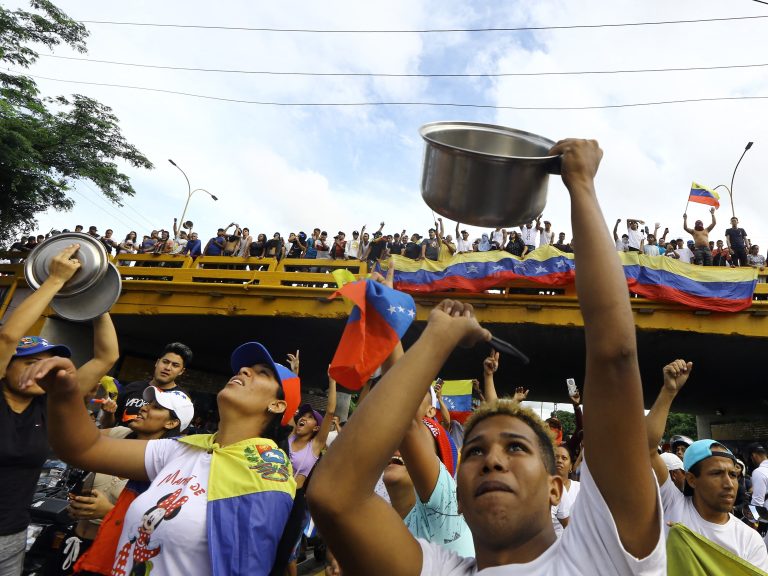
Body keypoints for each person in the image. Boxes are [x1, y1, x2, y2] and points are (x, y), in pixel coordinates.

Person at [309, 138, 665, 575]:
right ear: (456, 495)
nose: (492, 460)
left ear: (556, 488)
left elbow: (615, 356)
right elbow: (334, 498)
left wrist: (581, 185)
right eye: (474, 453)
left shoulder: (604, 553)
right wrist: (436, 339)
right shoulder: (437, 568)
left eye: (515, 447)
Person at [20, 341, 301, 576]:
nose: (244, 370)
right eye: (246, 367)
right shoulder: (182, 448)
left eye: (262, 372)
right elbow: (83, 449)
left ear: (277, 405)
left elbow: (247, 566)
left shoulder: (268, 475)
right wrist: (64, 391)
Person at [0, 244, 119, 576]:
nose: (41, 370)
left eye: (47, 362)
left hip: (12, 538)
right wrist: (54, 281)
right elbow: (8, 337)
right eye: (29, 362)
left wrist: (92, 294)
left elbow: (105, 357)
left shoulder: (48, 405)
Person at [646, 359, 768, 569]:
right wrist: (668, 391)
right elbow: (646, 445)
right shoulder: (672, 505)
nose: (729, 483)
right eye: (717, 474)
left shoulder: (749, 540)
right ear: (692, 479)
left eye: (732, 475)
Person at [70, 387, 194, 575]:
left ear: (171, 423)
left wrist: (109, 512)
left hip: (111, 558)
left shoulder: (170, 469)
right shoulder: (120, 434)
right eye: (148, 403)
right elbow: (74, 438)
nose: (144, 408)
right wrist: (80, 398)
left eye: (157, 407)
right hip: (74, 542)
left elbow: (162, 524)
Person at [101, 342, 192, 428]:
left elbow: (179, 435)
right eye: (165, 362)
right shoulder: (133, 387)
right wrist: (108, 413)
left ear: (181, 371)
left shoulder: (182, 399)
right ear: (157, 362)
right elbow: (107, 426)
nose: (168, 368)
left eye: (175, 365)